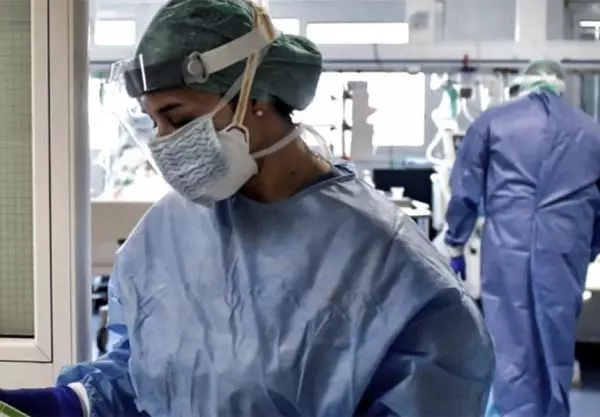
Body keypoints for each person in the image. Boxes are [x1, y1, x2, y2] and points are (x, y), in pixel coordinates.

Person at [0, 1, 494, 416]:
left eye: (178, 118)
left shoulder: (387, 265)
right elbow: (140, 376)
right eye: (154, 123)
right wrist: (60, 404)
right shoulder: (167, 231)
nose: (164, 143)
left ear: (254, 96)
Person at [445, 59, 600, 417]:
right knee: (557, 340)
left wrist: (456, 242)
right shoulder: (590, 131)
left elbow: (465, 190)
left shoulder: (493, 123)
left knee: (511, 342)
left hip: (507, 246)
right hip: (565, 247)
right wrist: (589, 248)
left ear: (521, 84)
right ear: (560, 85)